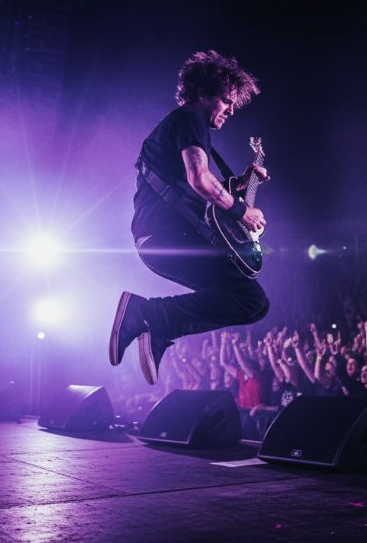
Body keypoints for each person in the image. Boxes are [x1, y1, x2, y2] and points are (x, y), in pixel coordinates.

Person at [109, 50, 270, 384]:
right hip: (167, 239)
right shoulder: (189, 119)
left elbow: (191, 188)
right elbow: (199, 180)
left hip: (161, 240)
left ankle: (161, 329)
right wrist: (243, 210)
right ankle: (145, 314)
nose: (231, 109)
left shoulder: (185, 126)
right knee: (251, 299)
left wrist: (239, 184)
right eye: (227, 100)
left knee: (249, 299)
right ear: (203, 93)